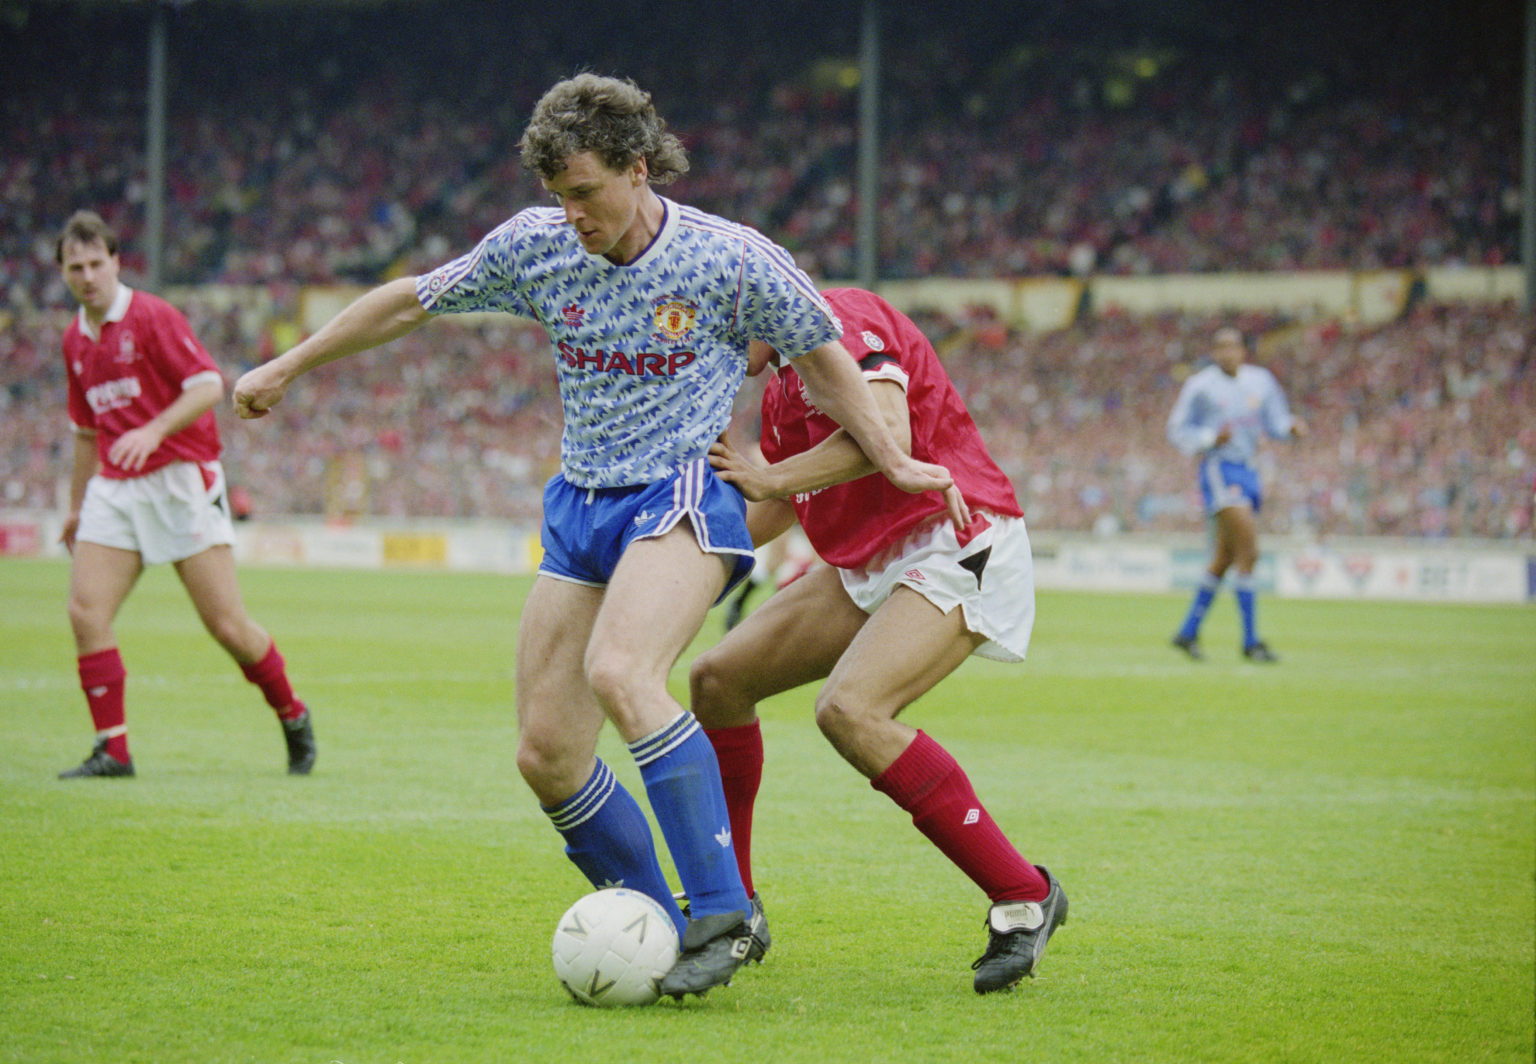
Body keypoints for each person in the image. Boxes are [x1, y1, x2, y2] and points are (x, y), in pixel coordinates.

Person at [231, 74, 959, 998]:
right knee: (546, 754)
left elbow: (825, 358)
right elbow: (411, 301)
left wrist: (891, 457)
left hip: (684, 491)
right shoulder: (535, 249)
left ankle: (723, 910)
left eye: (585, 192)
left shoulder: (731, 261)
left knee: (624, 671)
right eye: (557, 196)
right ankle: (658, 925)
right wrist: (289, 365)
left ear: (637, 167)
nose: (571, 213)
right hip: (580, 505)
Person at [693, 287, 1067, 994]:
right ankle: (733, 907)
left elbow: (886, 427)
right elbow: (774, 505)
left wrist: (768, 475)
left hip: (954, 535)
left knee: (851, 711)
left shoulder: (840, 318)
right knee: (718, 680)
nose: (709, 349)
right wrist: (665, 560)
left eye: (716, 327)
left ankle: (1024, 897)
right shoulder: (779, 392)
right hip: (870, 558)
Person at [53, 210, 316, 779]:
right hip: (115, 489)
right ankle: (113, 750)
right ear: (63, 274)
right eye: (76, 267)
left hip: (180, 478)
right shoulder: (74, 337)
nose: (88, 275)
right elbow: (84, 431)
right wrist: (75, 506)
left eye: (97, 262)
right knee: (85, 611)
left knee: (228, 627)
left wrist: (152, 430)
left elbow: (207, 386)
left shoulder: (151, 316)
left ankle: (292, 713)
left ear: (117, 262)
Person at [1166, 326, 1306, 662]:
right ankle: (1251, 641)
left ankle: (1187, 632)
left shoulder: (1261, 381)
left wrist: (1290, 428)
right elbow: (1177, 429)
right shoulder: (1200, 387)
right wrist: (1209, 439)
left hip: (1250, 470)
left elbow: (1275, 421)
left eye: (1234, 346)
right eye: (1221, 347)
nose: (1228, 353)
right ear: (1214, 353)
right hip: (1220, 470)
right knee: (1250, 551)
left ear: (1243, 350)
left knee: (1225, 558)